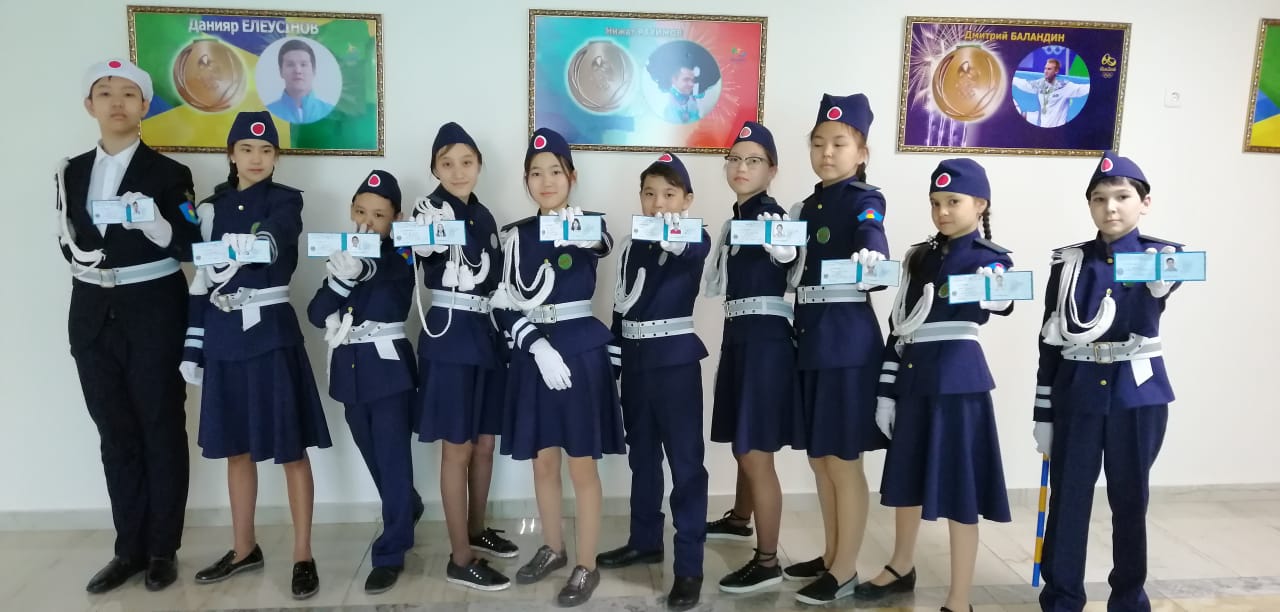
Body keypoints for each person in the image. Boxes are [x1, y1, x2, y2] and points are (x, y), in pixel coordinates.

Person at [57, 58, 200, 595]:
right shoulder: (70, 172)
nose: (116, 103)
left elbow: (190, 245)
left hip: (154, 311)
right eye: (104, 93)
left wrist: (159, 227)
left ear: (144, 107)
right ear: (89, 105)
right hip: (92, 315)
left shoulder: (169, 173)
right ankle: (128, 549)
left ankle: (162, 549)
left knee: (160, 430)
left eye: (128, 94)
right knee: (115, 434)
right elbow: (67, 239)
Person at [181, 111, 331, 600]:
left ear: (276, 158)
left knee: (291, 448)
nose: (257, 158)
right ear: (231, 155)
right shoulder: (211, 208)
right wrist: (194, 346)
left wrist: (250, 243)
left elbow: (276, 237)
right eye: (246, 149)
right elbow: (201, 283)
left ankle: (303, 554)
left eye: (266, 151)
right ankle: (243, 547)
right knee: (236, 449)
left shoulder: (285, 201)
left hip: (270, 334)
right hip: (225, 335)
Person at [858, 159, 1013, 612]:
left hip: (958, 382)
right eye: (935, 202)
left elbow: (1003, 298)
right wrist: (886, 391)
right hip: (913, 377)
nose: (942, 211)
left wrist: (996, 292)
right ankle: (900, 566)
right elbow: (899, 327)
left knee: (961, 491)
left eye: (953, 201)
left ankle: (959, 598)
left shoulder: (989, 258)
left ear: (980, 204)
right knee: (905, 479)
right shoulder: (919, 257)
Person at [1034, 151, 1183, 612]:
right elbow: (1049, 340)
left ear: (1145, 203)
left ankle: (1129, 599)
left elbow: (1165, 286)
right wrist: (1043, 412)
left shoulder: (1162, 257)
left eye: (1122, 197)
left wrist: (1161, 282)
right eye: (1099, 199)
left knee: (1130, 500)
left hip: (1136, 393)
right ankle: (1062, 598)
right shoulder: (1070, 262)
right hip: (1078, 390)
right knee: (1068, 499)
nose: (1110, 207)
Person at [491, 128, 623, 607]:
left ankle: (586, 565)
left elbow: (602, 243)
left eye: (555, 172)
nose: (545, 182)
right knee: (543, 460)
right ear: (526, 180)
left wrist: (578, 228)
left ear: (572, 176)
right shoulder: (516, 236)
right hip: (535, 356)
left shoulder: (587, 226)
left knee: (582, 464)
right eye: (535, 173)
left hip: (580, 354)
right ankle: (553, 547)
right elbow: (502, 304)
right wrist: (535, 345)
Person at [787, 94, 890, 605]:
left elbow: (872, 226)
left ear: (862, 152)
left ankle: (845, 569)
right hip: (811, 341)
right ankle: (831, 555)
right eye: (818, 143)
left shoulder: (863, 198)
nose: (827, 152)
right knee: (820, 459)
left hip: (847, 346)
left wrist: (874, 252)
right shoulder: (806, 207)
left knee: (844, 461)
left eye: (839, 144)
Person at [596, 152, 710, 611]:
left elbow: (693, 249)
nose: (658, 203)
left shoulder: (693, 235)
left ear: (686, 199)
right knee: (642, 458)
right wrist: (613, 366)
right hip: (638, 363)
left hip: (676, 365)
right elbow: (621, 306)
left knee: (686, 466)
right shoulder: (631, 245)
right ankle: (645, 540)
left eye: (668, 194)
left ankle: (689, 567)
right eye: (649, 193)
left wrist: (674, 236)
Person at [305, 170, 425, 594]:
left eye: (379, 215)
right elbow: (316, 313)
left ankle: (391, 551)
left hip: (388, 371)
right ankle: (407, 505)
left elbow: (385, 272)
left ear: (396, 219)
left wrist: (359, 268)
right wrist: (340, 280)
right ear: (350, 210)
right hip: (350, 371)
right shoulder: (342, 256)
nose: (368, 222)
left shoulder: (402, 255)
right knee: (373, 454)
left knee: (392, 460)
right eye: (361, 211)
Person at [411, 122, 518, 591]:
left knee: (484, 443)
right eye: (447, 163)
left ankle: (476, 529)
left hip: (485, 334)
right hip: (451, 335)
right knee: (456, 448)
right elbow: (419, 250)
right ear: (434, 168)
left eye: (467, 162)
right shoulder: (428, 210)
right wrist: (424, 240)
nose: (458, 171)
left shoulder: (484, 216)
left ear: (479, 165)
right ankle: (459, 557)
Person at [704, 122, 803, 594]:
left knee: (754, 449)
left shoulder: (771, 217)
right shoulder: (739, 217)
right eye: (735, 159)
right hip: (742, 334)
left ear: (772, 170)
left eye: (754, 161)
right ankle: (740, 518)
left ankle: (767, 562)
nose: (742, 167)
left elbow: (789, 254)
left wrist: (785, 248)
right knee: (744, 439)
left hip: (764, 342)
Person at [645, 40, 722, 124]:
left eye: (693, 80)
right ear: (674, 79)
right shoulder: (669, 106)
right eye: (686, 79)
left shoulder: (693, 94)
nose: (691, 84)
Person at [265, 39, 335, 125]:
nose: (298, 71)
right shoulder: (267, 113)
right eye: (290, 65)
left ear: (314, 70)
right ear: (281, 71)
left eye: (303, 65)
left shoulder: (332, 113)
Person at [1012, 58, 1089, 128]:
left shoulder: (1064, 86)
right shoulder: (1039, 84)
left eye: (1049, 69)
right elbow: (1024, 84)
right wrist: (1011, 78)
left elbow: (1083, 89)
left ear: (1056, 71)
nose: (1045, 71)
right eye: (1045, 68)